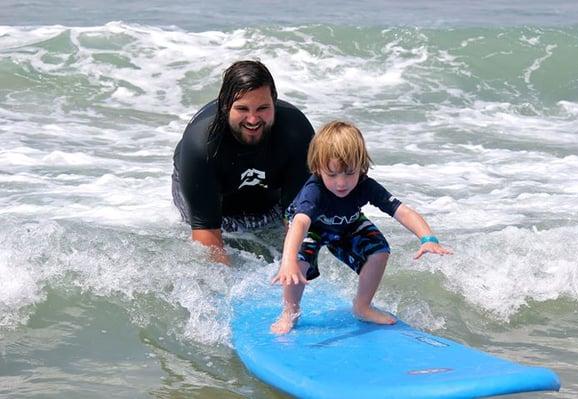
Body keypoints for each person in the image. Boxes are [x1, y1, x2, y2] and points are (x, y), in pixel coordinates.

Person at [271, 121, 452, 334]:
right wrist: (288, 260)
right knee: (298, 262)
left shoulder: (366, 185)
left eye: (349, 173)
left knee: (379, 251)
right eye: (332, 174)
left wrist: (428, 238)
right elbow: (300, 222)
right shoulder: (315, 190)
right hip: (311, 225)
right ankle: (289, 312)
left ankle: (362, 306)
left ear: (361, 166)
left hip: (347, 222)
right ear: (318, 169)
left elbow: (402, 211)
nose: (341, 183)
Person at [172, 60, 315, 265]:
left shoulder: (297, 132)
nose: (252, 119)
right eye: (242, 109)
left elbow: (296, 220)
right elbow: (207, 232)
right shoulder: (201, 144)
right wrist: (228, 288)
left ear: (274, 102)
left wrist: (295, 271)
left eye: (262, 108)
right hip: (215, 197)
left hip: (268, 193)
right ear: (225, 106)